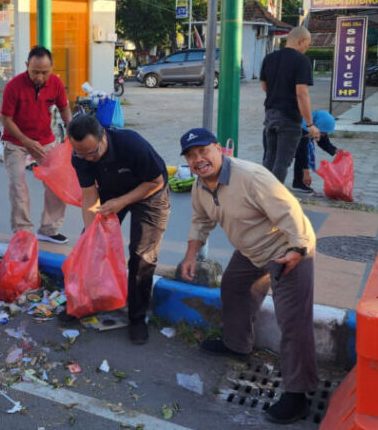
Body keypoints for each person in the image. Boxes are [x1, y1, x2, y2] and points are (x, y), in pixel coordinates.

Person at [178, 128, 318, 424]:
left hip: (287, 248)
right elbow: (200, 220)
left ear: (219, 149)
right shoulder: (200, 186)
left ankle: (297, 396)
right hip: (251, 249)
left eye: (204, 151)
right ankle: (237, 344)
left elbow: (290, 210)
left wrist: (298, 249)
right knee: (233, 287)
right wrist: (190, 256)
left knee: (293, 322)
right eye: (191, 155)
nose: (198, 159)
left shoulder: (251, 176)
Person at [68, 115, 170, 345]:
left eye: (92, 153)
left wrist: (123, 202)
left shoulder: (130, 143)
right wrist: (91, 233)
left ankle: (137, 317)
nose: (88, 159)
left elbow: (156, 182)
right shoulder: (80, 156)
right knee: (90, 246)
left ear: (104, 136)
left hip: (150, 193)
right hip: (112, 193)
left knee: (142, 256)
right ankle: (84, 302)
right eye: (82, 154)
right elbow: (88, 196)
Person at [1, 45, 72, 244]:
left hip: (45, 140)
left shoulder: (56, 83)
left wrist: (73, 131)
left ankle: (49, 229)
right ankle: (23, 231)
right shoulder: (13, 86)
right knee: (18, 183)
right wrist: (25, 141)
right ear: (26, 66)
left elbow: (64, 108)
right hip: (16, 141)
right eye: (35, 72)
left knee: (57, 182)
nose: (40, 77)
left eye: (44, 72)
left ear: (52, 68)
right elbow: (7, 120)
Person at [260, 26, 320, 184]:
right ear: (302, 41)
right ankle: (272, 199)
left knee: (269, 158)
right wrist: (310, 123)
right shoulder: (302, 61)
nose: (307, 48)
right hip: (289, 117)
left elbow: (264, 86)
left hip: (270, 114)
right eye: (308, 44)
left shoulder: (269, 58)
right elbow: (302, 93)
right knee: (282, 161)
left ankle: (260, 194)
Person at [291, 110, 338, 193]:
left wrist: (335, 150)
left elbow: (323, 141)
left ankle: (298, 183)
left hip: (293, 146)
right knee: (282, 161)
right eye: (323, 132)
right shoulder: (303, 129)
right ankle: (273, 185)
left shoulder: (316, 127)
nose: (323, 134)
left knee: (299, 158)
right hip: (280, 142)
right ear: (318, 125)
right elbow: (302, 154)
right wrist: (306, 173)